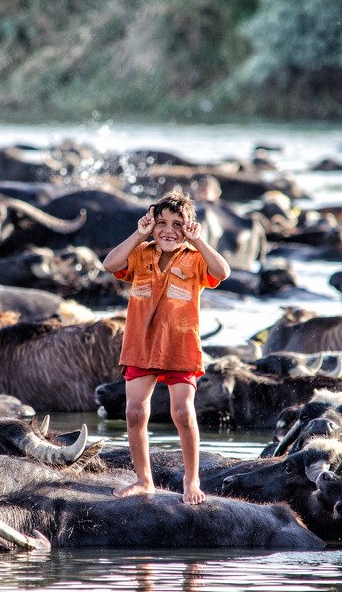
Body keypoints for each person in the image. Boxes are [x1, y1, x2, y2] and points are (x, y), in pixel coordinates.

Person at [102, 191, 231, 504]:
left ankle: (191, 480)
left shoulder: (195, 258)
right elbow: (110, 263)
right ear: (151, 224)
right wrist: (139, 233)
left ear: (188, 226)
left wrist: (198, 240)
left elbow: (223, 271)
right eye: (161, 223)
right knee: (134, 412)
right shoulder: (140, 253)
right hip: (141, 346)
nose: (168, 229)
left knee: (183, 412)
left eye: (177, 223)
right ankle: (144, 479)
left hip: (180, 346)